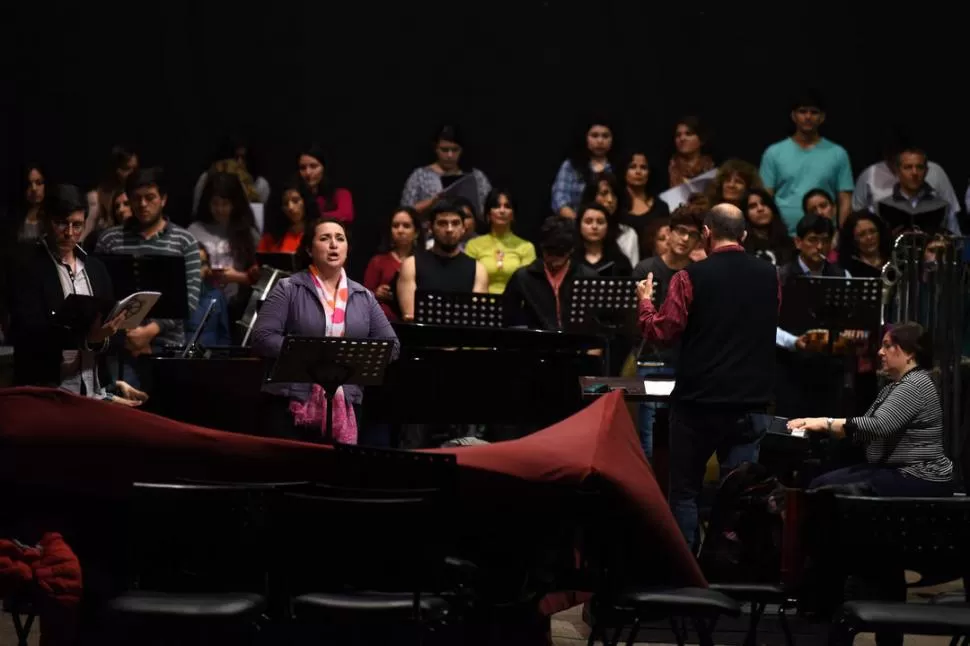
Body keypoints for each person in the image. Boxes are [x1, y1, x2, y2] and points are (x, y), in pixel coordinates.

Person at [636, 203, 779, 547]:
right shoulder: (769, 274)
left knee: (684, 492)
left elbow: (662, 332)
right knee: (740, 496)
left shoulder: (689, 277)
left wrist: (644, 302)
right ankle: (729, 572)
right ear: (743, 234)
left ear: (706, 233)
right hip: (750, 402)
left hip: (698, 403)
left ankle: (687, 577)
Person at [251, 216, 399, 445]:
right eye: (325, 238)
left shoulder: (363, 296)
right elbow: (262, 338)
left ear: (347, 249)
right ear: (310, 249)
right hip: (291, 401)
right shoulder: (288, 288)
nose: (333, 244)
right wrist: (312, 354)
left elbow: (392, 346)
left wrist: (349, 358)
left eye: (340, 239)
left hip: (346, 399)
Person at [9, 185, 146, 406]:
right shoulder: (28, 268)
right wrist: (88, 339)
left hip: (93, 393)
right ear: (46, 221)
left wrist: (110, 387)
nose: (70, 233)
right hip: (49, 395)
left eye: (77, 225)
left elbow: (113, 335)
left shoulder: (95, 269)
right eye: (61, 223)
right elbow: (27, 336)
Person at [788, 322, 952, 496]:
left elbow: (876, 426)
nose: (880, 352)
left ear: (910, 353)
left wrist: (823, 423)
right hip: (898, 470)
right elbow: (863, 431)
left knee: (822, 489)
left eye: (888, 346)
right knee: (819, 480)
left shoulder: (915, 384)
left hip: (918, 475)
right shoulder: (898, 384)